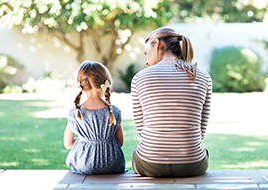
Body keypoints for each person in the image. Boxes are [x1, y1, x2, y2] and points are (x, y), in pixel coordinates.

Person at [131, 27, 212, 177]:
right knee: (203, 152)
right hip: (192, 165)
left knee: (137, 154)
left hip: (150, 164)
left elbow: (141, 130)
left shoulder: (139, 78)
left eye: (146, 52)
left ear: (157, 45)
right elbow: (201, 130)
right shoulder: (203, 76)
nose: (146, 61)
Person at [63, 61, 125, 175]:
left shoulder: (75, 113)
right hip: (113, 165)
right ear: (105, 82)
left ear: (81, 84)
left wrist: (85, 141)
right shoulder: (114, 112)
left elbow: (68, 144)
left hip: (84, 165)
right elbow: (120, 142)